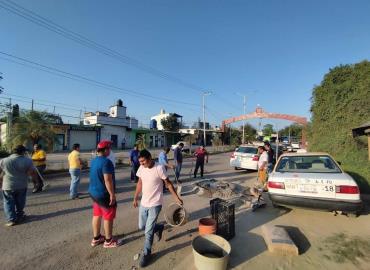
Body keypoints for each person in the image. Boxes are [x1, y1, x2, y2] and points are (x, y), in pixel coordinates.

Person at [133, 149, 183, 267]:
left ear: (150, 158)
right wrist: (135, 198)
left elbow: (168, 184)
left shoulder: (159, 168)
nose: (142, 164)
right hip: (144, 203)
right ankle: (159, 227)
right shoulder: (141, 168)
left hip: (155, 204)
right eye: (140, 162)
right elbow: (140, 183)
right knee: (142, 226)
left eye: (143, 161)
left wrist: (176, 198)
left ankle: (146, 253)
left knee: (148, 231)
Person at [88, 140, 119, 248]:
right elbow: (108, 180)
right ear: (105, 150)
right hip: (103, 194)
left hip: (94, 193)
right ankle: (108, 240)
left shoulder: (94, 160)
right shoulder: (107, 162)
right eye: (109, 148)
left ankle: (96, 238)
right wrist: (112, 194)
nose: (110, 150)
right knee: (108, 216)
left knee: (97, 214)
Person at [1, 145, 36, 226]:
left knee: (8, 202)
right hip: (22, 185)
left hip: (8, 185)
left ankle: (11, 219)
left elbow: (1, 172)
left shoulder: (4, 160)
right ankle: (20, 215)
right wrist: (35, 182)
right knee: (20, 201)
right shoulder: (28, 161)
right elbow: (31, 172)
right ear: (23, 152)